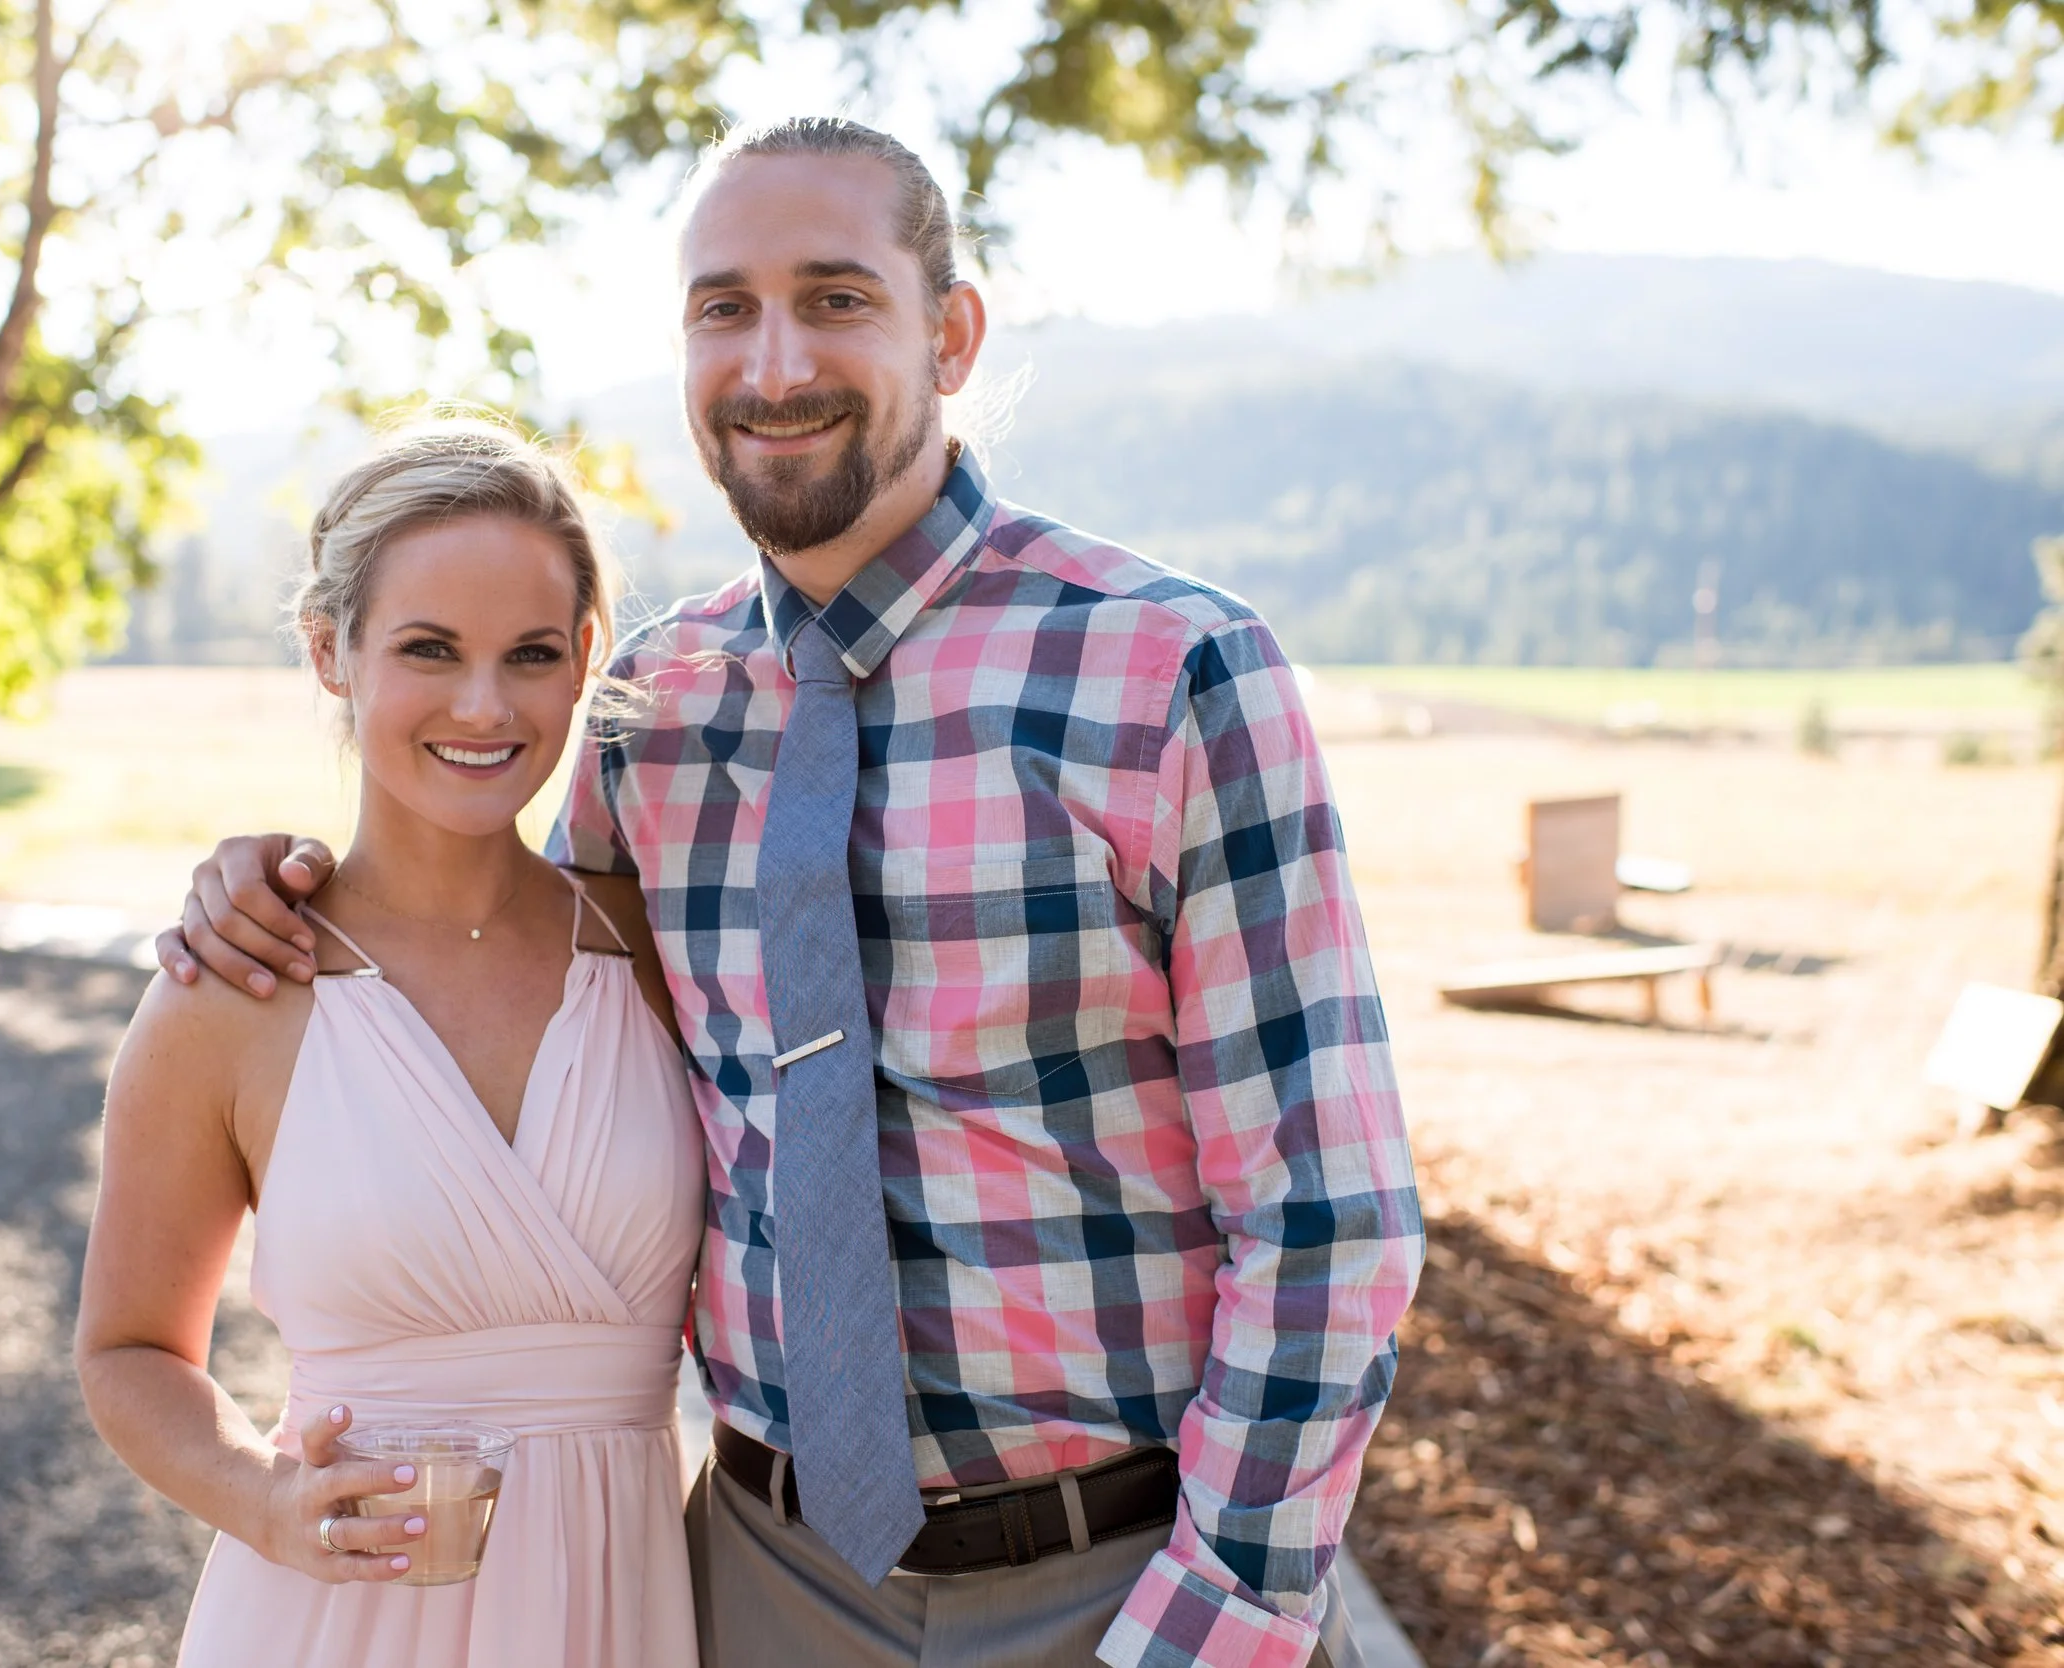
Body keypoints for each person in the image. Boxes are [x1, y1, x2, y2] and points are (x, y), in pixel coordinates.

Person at [161, 118, 1423, 1668]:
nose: (773, 364)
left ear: (949, 333)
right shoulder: (653, 711)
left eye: (835, 298)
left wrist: (1220, 1618)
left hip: (1128, 1577)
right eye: (723, 307)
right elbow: (515, 990)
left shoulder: (1169, 673)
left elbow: (1327, 1219)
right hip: (758, 1586)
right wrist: (276, 884)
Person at [75, 418, 703, 1668]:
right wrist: (258, 1497)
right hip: (339, 1619)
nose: (484, 706)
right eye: (428, 650)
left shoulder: (655, 947)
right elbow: (127, 1351)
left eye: (529, 655)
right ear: (329, 650)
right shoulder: (234, 989)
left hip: (621, 1607)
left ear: (585, 660)